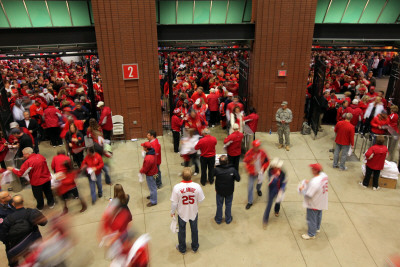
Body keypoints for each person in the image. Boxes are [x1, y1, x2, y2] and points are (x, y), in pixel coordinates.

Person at [2, 195, 47, 267]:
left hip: (19, 245)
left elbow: (3, 233)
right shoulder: (32, 212)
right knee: (36, 258)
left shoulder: (8, 219)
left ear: (13, 204)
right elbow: (44, 223)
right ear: (23, 201)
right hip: (34, 241)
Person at [170, 167, 205, 254]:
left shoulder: (177, 188)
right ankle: (195, 247)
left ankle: (182, 249)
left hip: (182, 213)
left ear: (182, 176)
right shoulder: (197, 187)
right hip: (193, 212)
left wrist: (172, 212)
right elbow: (201, 200)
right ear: (191, 176)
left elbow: (174, 203)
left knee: (181, 231)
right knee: (194, 230)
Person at [298, 163, 328, 240]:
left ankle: (311, 234)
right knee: (319, 215)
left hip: (313, 203)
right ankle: (317, 228)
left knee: (311, 218)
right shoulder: (324, 176)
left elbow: (308, 195)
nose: (311, 170)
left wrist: (302, 189)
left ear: (315, 170)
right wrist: (309, 183)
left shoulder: (315, 182)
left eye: (312, 169)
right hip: (321, 200)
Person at [213, 155, 240, 224]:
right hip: (229, 191)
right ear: (227, 161)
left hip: (219, 191)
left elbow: (211, 176)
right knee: (228, 204)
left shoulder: (216, 170)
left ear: (219, 162)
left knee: (219, 205)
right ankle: (228, 219)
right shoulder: (232, 170)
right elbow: (238, 179)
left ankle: (218, 219)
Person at [243, 140, 270, 210]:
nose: (257, 148)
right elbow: (245, 162)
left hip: (260, 173)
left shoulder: (262, 152)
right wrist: (248, 170)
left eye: (258, 146)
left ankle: (258, 189)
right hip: (252, 174)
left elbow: (267, 161)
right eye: (256, 146)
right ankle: (250, 202)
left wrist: (263, 168)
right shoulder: (249, 153)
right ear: (253, 146)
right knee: (250, 187)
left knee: (259, 183)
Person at [263, 158, 287, 227]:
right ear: (274, 167)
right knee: (269, 204)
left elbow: (284, 181)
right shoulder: (270, 172)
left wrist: (282, 189)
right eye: (278, 167)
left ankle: (276, 210)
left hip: (280, 190)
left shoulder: (282, 172)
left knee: (278, 201)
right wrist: (276, 177)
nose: (280, 168)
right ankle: (265, 219)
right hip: (272, 191)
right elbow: (271, 183)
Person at [140, 142, 158, 207]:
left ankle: (153, 201)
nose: (142, 147)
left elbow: (145, 168)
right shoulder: (153, 152)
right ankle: (152, 196)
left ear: (146, 148)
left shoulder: (148, 158)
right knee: (153, 185)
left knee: (152, 187)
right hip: (155, 172)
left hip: (151, 174)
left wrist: (141, 171)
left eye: (143, 146)